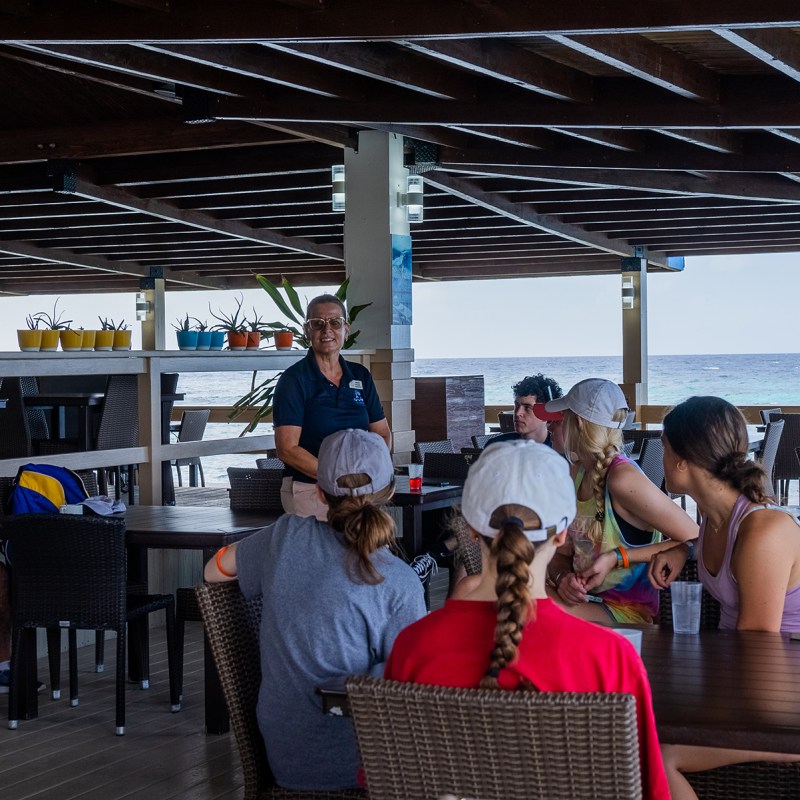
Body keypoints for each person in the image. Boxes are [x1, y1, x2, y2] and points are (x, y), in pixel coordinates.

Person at [385, 440, 670, 800]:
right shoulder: (609, 657)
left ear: (471, 530)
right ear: (564, 533)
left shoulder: (414, 645)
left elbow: (397, 778)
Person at [204, 428, 425, 792]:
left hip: (285, 752)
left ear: (320, 492)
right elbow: (407, 694)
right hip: (359, 769)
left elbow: (213, 571)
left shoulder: (285, 535)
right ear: (390, 492)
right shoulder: (399, 581)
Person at [647, 395, 800, 800]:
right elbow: (716, 546)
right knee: (633, 724)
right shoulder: (713, 521)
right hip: (750, 684)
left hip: (782, 701)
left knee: (656, 753)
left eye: (663, 447)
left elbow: (757, 645)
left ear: (681, 459)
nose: (660, 458)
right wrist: (685, 549)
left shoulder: (765, 531)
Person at [537, 378, 697, 624]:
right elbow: (562, 553)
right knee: (510, 590)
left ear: (577, 423)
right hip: (588, 603)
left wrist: (619, 557)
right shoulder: (577, 473)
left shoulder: (622, 478)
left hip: (626, 615)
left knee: (515, 597)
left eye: (559, 419)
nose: (551, 426)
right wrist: (562, 577)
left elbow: (696, 536)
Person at [273, 293, 392, 519]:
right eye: (317, 323)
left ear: (346, 329)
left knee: (367, 553)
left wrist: (372, 477)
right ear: (307, 331)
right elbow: (287, 449)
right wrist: (337, 481)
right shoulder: (293, 380)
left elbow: (382, 434)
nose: (326, 330)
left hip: (360, 494)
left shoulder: (361, 376)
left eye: (335, 323)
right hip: (309, 490)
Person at [488, 373, 563, 447]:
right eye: (517, 406)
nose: (517, 413)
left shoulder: (561, 448)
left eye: (527, 407)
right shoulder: (496, 446)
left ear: (547, 413)